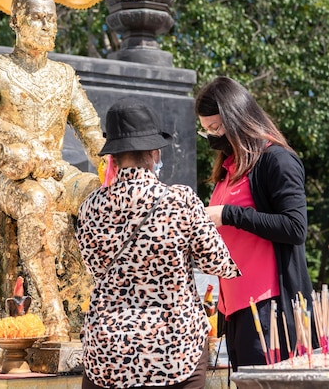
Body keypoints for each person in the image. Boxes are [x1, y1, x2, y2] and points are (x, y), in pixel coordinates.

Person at [0, 0, 105, 341]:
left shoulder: (64, 75)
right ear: (16, 21)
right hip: (2, 175)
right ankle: (51, 312)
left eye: (51, 19)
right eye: (37, 19)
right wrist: (22, 141)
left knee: (100, 194)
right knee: (35, 201)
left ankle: (98, 304)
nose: (46, 27)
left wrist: (112, 165)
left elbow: (90, 129)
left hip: (56, 171)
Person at [76, 98, 241, 388]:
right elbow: (218, 263)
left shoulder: (90, 207)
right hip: (174, 349)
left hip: (108, 354)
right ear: (154, 153)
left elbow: (93, 266)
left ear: (112, 156)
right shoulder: (180, 200)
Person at [194, 76, 316, 370]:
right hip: (234, 307)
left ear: (236, 119)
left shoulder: (277, 160)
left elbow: (295, 228)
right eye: (206, 130)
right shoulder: (228, 167)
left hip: (268, 306)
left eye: (215, 128)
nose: (211, 137)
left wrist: (228, 214)